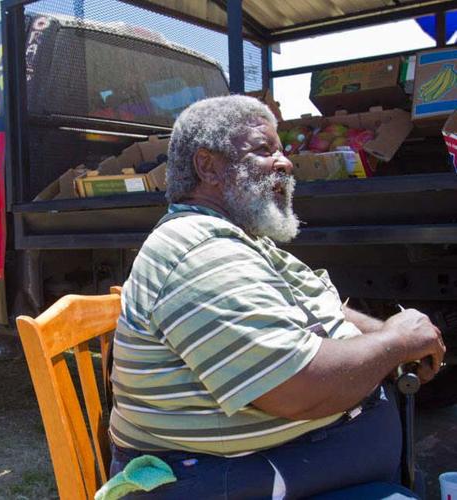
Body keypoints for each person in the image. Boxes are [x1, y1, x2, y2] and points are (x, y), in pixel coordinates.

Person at [109, 95, 445, 498]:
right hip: (213, 479)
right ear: (208, 166)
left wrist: (385, 331)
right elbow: (294, 387)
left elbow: (318, 307)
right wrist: (394, 343)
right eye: (264, 150)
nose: (285, 163)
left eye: (282, 150)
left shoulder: (239, 242)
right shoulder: (200, 252)